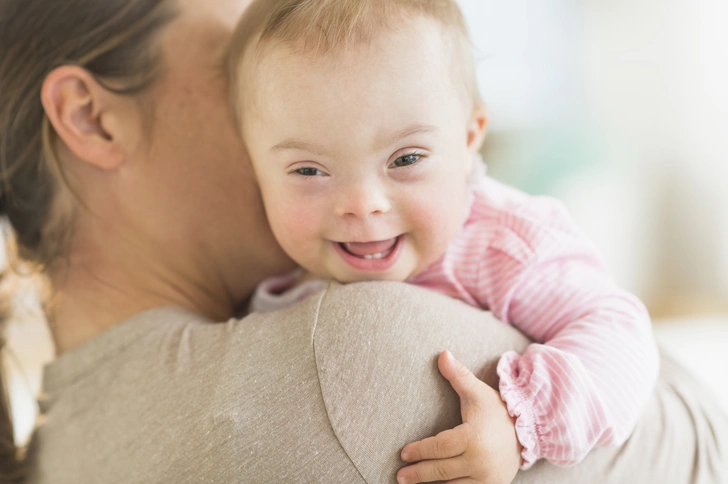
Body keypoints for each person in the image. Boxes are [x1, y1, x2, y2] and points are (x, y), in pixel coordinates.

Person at [0, 0, 725, 483]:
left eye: (403, 156)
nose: (359, 200)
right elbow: (704, 446)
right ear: (91, 118)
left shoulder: (60, 443)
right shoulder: (337, 353)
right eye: (235, 75)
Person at [228, 1, 659, 481]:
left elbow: (618, 334)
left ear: (469, 135)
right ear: (253, 167)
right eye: (308, 170)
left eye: (406, 159)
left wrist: (521, 427)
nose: (362, 203)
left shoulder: (501, 245)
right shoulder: (269, 266)